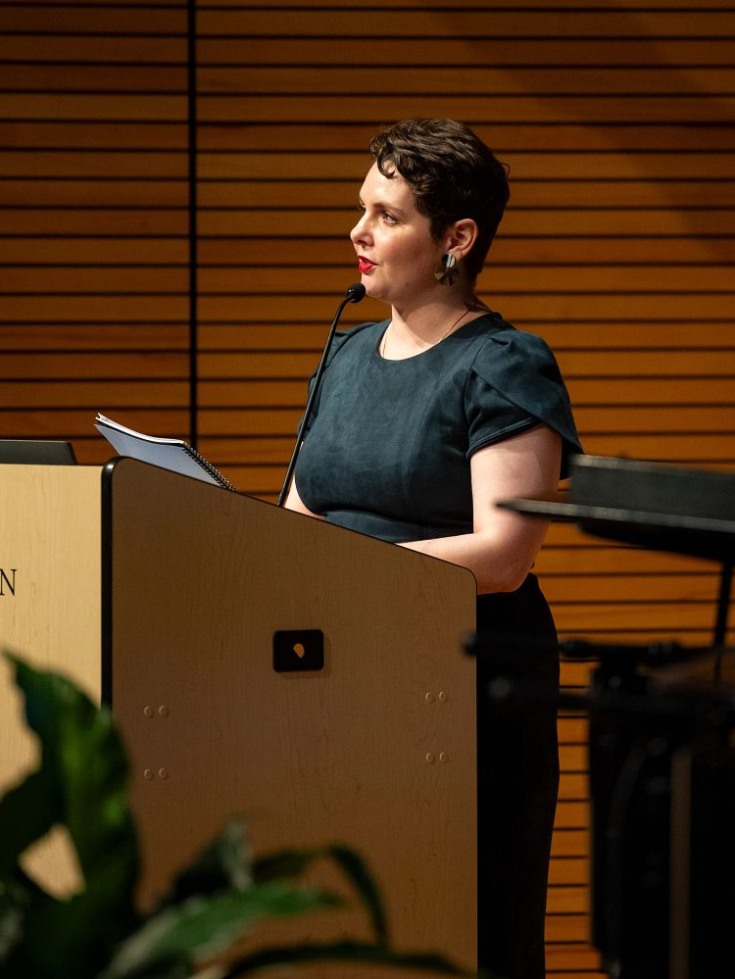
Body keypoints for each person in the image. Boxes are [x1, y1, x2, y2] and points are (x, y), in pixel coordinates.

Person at [285, 117, 582, 979]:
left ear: (456, 238)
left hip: (465, 683)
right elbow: (299, 516)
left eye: (386, 215)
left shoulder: (503, 363)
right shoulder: (343, 356)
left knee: (466, 927)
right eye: (359, 210)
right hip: (339, 668)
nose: (358, 232)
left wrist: (348, 569)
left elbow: (502, 555)